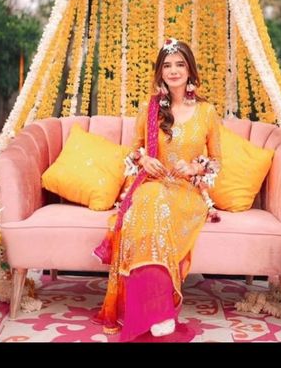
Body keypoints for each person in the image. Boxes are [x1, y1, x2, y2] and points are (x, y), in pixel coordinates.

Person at [93, 38, 222, 341]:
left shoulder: (206, 112)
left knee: (156, 204)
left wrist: (195, 168)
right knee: (149, 202)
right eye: (167, 65)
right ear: (160, 72)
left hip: (187, 193)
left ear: (190, 70)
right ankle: (156, 310)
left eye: (180, 64)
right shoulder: (150, 109)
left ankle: (157, 309)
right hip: (152, 185)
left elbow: (217, 162)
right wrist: (145, 159)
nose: (174, 70)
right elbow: (132, 153)